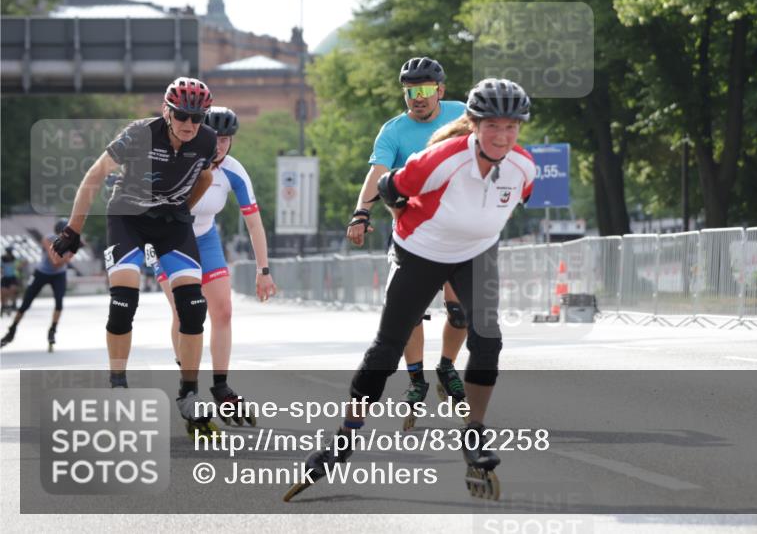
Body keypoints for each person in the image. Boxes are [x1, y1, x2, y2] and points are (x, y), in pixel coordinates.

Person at [285, 78, 534, 502]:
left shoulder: (524, 167)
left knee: (488, 338)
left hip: (475, 253)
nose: (502, 136)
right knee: (388, 346)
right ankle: (344, 436)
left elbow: (507, 202)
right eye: (492, 125)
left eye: (511, 127)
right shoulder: (441, 158)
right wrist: (403, 219)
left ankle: (474, 432)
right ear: (473, 124)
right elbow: (388, 188)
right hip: (419, 250)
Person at [48, 77, 219, 437]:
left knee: (193, 306)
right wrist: (73, 230)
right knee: (124, 300)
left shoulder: (205, 140)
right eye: (182, 116)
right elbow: (95, 176)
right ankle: (118, 383)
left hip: (171, 222)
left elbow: (204, 178)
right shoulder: (139, 134)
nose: (189, 125)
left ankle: (189, 393)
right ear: (166, 111)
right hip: (128, 218)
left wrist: (183, 209)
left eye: (197, 117)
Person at [346, 56, 470, 427]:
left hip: (456, 227)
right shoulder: (394, 131)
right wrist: (361, 213)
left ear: (440, 91)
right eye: (410, 91)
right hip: (413, 230)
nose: (417, 98)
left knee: (460, 310)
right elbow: (377, 174)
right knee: (410, 311)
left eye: (425, 91)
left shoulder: (462, 115)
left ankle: (446, 367)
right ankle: (416, 379)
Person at [151, 106, 277, 426]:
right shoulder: (179, 159)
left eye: (226, 139)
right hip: (167, 239)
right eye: (215, 138)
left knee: (223, 310)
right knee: (184, 310)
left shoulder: (234, 170)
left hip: (205, 239)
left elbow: (254, 224)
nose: (219, 145)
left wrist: (264, 270)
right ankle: (187, 386)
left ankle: (221, 387)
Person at [0, 220, 75, 351]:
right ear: (57, 233)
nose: (64, 238)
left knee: (59, 303)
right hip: (42, 272)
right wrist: (69, 254)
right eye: (62, 235)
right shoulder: (48, 239)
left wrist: (70, 252)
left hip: (59, 275)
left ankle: (52, 330)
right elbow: (55, 262)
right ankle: (12, 330)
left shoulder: (71, 242)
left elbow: (61, 262)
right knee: (25, 303)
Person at [1, 246, 23, 315]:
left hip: (12, 277)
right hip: (5, 277)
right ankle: (4, 305)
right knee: (3, 292)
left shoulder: (14, 259)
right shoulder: (2, 259)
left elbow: (20, 265)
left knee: (13, 290)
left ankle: (13, 303)